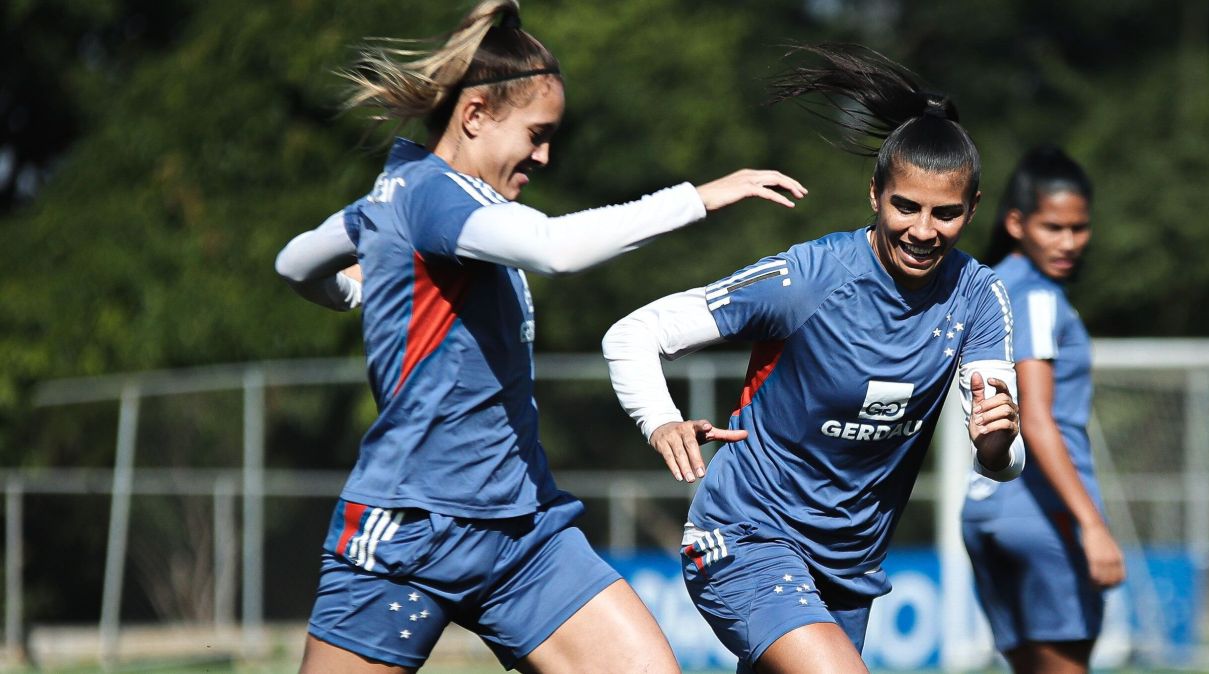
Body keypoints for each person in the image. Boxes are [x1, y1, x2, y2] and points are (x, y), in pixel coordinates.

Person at [273, 2, 806, 672]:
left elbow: (295, 262)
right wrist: (701, 196)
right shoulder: (433, 196)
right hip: (412, 529)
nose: (545, 154)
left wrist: (358, 289)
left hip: (521, 529)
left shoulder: (404, 194)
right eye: (537, 132)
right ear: (474, 117)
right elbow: (554, 248)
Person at [601, 44, 1023, 674]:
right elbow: (633, 335)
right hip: (745, 537)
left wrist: (996, 443)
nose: (924, 230)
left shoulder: (979, 296)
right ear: (874, 194)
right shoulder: (806, 279)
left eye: (947, 213)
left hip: (848, 571)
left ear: (974, 208)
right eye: (905, 206)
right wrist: (660, 420)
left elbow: (1004, 457)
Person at [962, 146, 1125, 674]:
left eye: (1079, 228)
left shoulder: (985, 285)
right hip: (1045, 516)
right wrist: (1092, 524)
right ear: (1015, 222)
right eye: (1053, 227)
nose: (1069, 242)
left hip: (985, 509)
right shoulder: (1034, 297)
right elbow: (1035, 418)